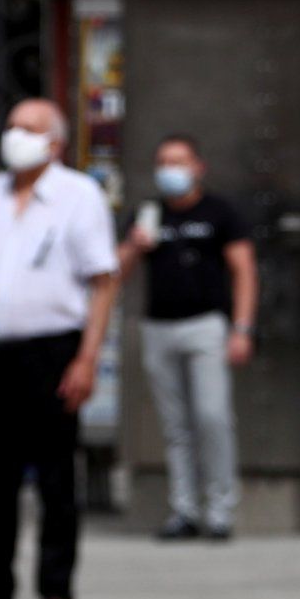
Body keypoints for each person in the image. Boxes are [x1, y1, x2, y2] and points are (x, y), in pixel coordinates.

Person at [0, 99, 118, 599]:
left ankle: (57, 597)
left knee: (57, 477)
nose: (15, 135)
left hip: (53, 350)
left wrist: (87, 359)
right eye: (12, 124)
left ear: (56, 142)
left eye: (30, 128)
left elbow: (104, 279)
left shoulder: (79, 194)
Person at [117, 134, 255, 542]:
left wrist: (242, 328)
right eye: (164, 162)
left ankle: (220, 510)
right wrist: (133, 246)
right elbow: (115, 274)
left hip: (206, 326)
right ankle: (184, 509)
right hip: (159, 327)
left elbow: (244, 270)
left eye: (179, 162)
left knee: (212, 417)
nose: (171, 170)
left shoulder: (219, 212)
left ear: (198, 167)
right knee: (175, 425)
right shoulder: (149, 213)